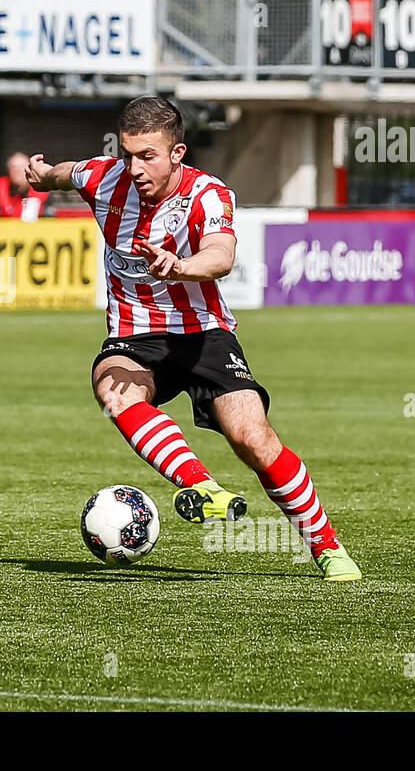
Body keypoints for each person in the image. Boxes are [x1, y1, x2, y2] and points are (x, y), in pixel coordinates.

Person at [26, 96, 362, 581]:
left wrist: (182, 266)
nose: (136, 167)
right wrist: (42, 175)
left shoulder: (207, 194)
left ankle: (327, 547)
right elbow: (66, 173)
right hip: (136, 333)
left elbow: (221, 255)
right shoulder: (104, 179)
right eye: (128, 154)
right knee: (113, 388)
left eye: (149, 156)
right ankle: (201, 486)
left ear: (177, 153)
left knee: (254, 440)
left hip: (205, 334)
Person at [0, 151, 48, 218]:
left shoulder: (43, 189)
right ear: (8, 171)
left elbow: (51, 215)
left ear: (30, 171)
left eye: (22, 167)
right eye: (14, 167)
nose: (18, 171)